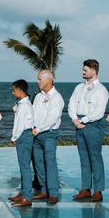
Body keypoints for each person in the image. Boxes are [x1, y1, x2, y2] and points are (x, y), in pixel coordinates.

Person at [68, 59, 109, 202]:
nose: (82, 72)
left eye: (85, 70)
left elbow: (99, 112)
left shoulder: (101, 90)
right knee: (84, 159)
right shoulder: (79, 87)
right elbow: (72, 104)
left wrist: (83, 120)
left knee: (95, 158)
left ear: (93, 71)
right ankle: (85, 188)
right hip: (78, 124)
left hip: (93, 125)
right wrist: (74, 119)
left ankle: (98, 190)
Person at [31, 70, 64, 205]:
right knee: (38, 163)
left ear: (48, 80)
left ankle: (53, 193)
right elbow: (33, 113)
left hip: (49, 134)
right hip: (36, 134)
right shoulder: (38, 96)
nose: (37, 82)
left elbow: (52, 118)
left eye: (40, 79)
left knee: (50, 163)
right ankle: (44, 190)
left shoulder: (57, 97)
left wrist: (38, 129)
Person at [9, 79, 35, 207]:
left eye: (14, 91)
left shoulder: (24, 106)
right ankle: (23, 193)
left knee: (25, 167)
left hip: (23, 135)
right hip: (25, 135)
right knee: (23, 166)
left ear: (19, 91)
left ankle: (27, 196)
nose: (13, 93)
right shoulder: (24, 104)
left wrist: (14, 138)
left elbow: (19, 125)